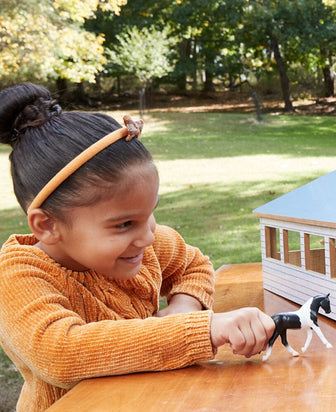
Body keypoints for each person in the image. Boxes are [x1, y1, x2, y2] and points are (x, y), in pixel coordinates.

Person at [0, 84, 275, 411]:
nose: (147, 236)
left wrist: (183, 308)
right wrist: (202, 329)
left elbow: (193, 265)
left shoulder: (145, 245)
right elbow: (62, 353)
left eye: (150, 213)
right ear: (47, 225)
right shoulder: (19, 275)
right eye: (124, 224)